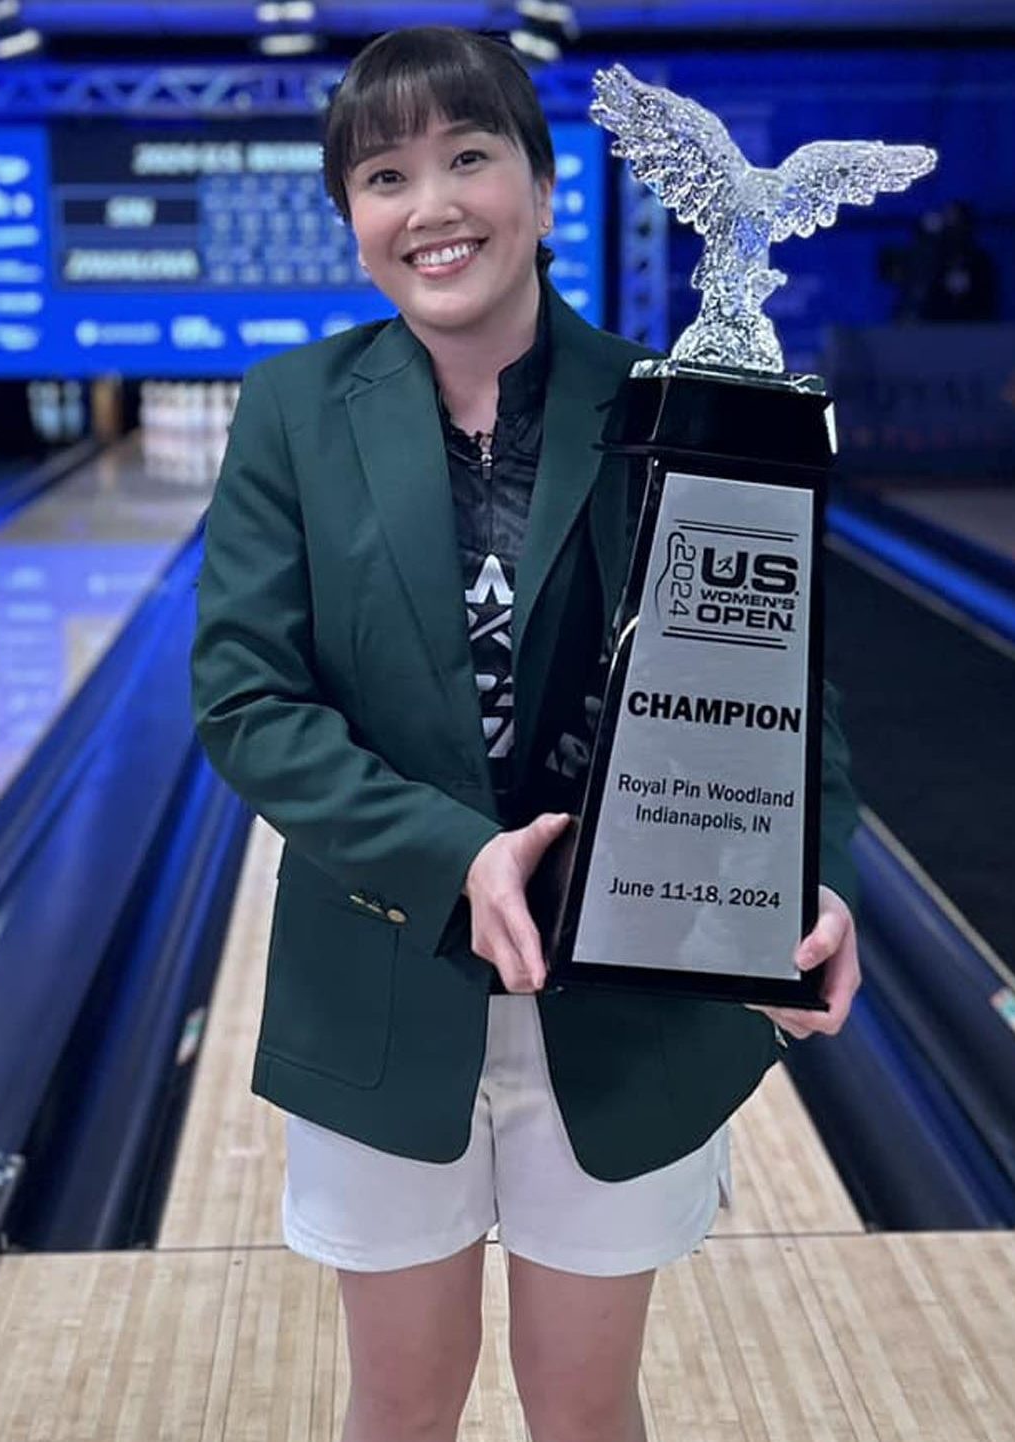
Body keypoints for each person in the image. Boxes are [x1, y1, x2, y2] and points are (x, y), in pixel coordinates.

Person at [190, 27, 864, 1442]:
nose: (430, 204)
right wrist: (456, 857)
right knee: (401, 1403)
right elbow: (248, 700)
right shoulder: (294, 413)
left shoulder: (668, 404)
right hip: (385, 979)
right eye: (384, 175)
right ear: (354, 223)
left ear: (546, 190)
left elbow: (779, 688)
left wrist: (809, 885)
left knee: (583, 1404)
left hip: (624, 1005)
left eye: (469, 156)